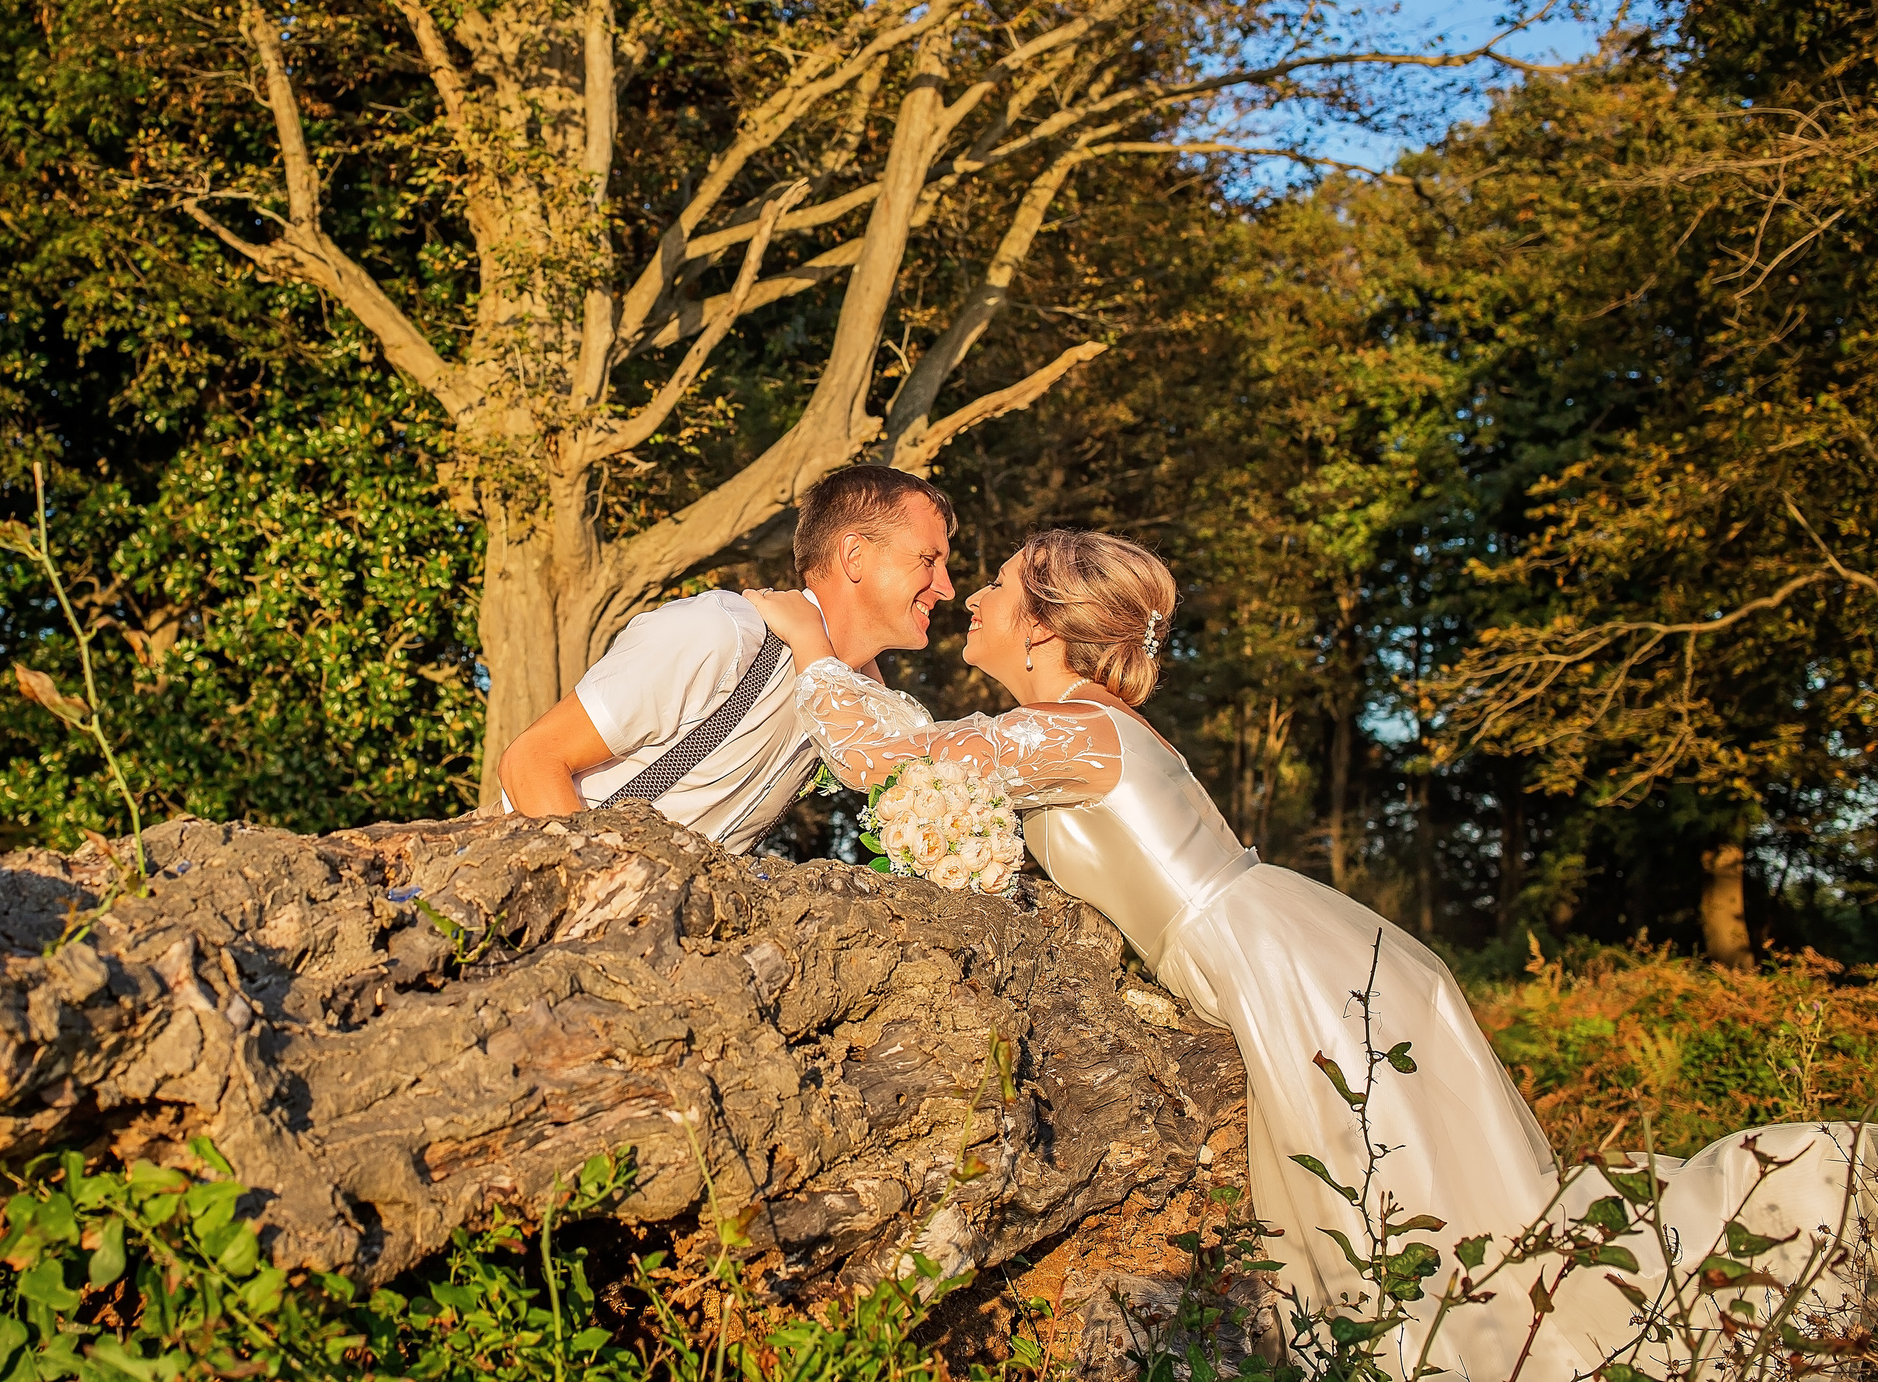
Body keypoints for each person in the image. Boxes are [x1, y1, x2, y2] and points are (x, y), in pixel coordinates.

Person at [744, 528, 1871, 1381]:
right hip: (1290, 947)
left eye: (993, 584)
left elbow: (887, 759)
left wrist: (813, 648)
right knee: (1430, 1227)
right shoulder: (1079, 726)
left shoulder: (1075, 729)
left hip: (1284, 970)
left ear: (1042, 628)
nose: (973, 599)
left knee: (1416, 1238)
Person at [495, 466, 954, 850]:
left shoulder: (851, 715)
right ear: (853, 556)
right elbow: (532, 759)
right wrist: (595, 897)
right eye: (928, 559)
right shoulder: (724, 633)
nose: (947, 588)